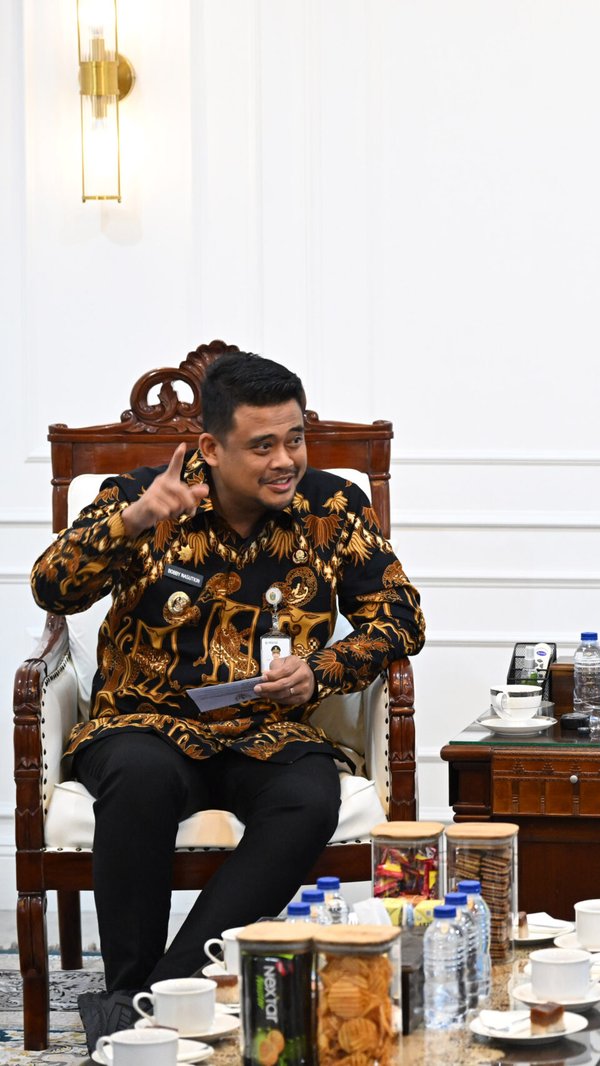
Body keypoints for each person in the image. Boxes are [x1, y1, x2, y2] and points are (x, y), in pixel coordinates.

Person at [30, 352, 426, 1047]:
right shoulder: (143, 495)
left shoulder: (332, 508)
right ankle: (132, 986)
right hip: (145, 721)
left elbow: (401, 619)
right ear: (211, 449)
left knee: (308, 799)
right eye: (263, 446)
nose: (285, 460)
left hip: (269, 731)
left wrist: (321, 671)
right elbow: (52, 589)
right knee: (139, 777)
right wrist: (131, 522)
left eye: (295, 439)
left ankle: (153, 1000)